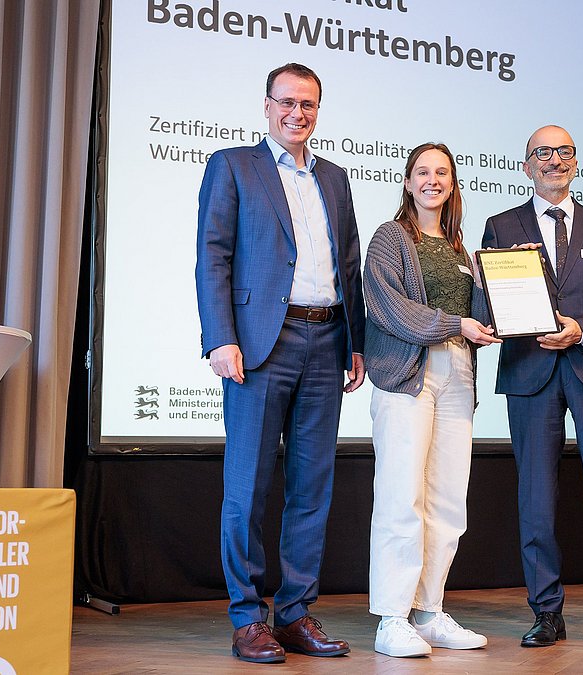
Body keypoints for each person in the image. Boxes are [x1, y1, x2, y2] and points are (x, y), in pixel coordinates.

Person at [195, 62, 365, 665]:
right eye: (288, 102)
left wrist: (356, 342)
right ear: (266, 106)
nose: (298, 113)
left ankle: (294, 614)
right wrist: (220, 337)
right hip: (261, 344)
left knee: (311, 488)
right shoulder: (233, 166)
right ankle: (248, 618)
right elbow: (213, 256)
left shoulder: (336, 178)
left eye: (309, 105)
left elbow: (349, 268)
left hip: (326, 342)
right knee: (247, 486)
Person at [482, 125, 583, 651]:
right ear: (526, 165)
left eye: (564, 152)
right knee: (536, 497)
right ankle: (546, 611)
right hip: (530, 372)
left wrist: (582, 328)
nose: (555, 160)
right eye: (543, 153)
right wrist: (513, 287)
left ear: (575, 161)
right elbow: (486, 302)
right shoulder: (501, 225)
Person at [362, 142, 500, 658]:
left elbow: (482, 312)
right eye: (422, 172)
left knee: (447, 501)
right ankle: (392, 618)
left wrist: (502, 310)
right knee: (402, 498)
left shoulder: (463, 250)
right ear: (407, 181)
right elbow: (388, 308)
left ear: (453, 183)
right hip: (407, 377)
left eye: (442, 172)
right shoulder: (390, 238)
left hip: (459, 374)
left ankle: (431, 610)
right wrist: (454, 323)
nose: (432, 180)